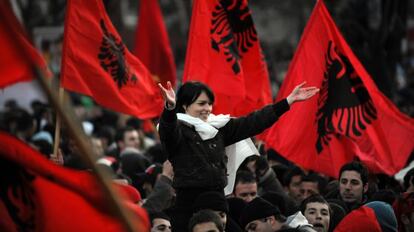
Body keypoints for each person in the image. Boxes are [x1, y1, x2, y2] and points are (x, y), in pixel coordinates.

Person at [158, 81, 319, 231]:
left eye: (209, 103)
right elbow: (168, 131)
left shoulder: (218, 127)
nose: (207, 108)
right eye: (201, 103)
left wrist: (288, 101)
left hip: (219, 204)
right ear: (185, 106)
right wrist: (170, 108)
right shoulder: (177, 129)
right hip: (189, 206)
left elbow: (253, 122)